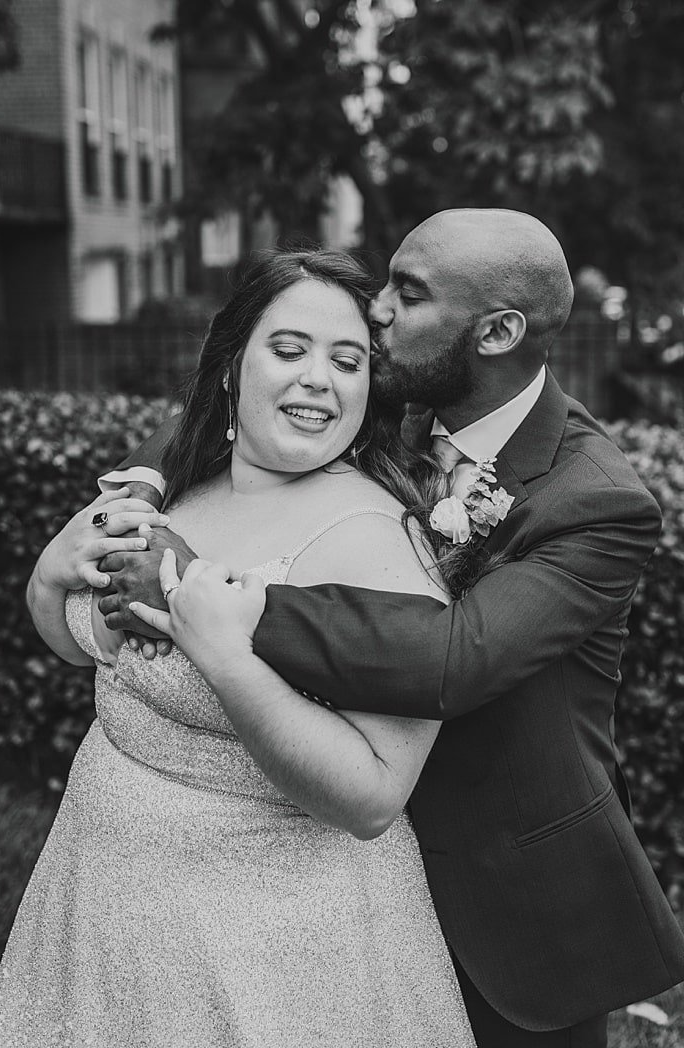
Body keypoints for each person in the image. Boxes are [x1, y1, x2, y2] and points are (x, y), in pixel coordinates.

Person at [98, 209, 684, 1047]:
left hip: (511, 896)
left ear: (497, 332)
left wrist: (210, 589)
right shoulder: (401, 399)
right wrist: (151, 483)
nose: (374, 312)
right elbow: (243, 397)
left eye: (405, 296)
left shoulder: (598, 502)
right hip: (345, 877)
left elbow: (453, 659)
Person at [0, 248, 479, 1046]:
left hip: (273, 949)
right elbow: (89, 649)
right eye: (289, 350)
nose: (318, 378)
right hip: (98, 894)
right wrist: (49, 580)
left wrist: (227, 658)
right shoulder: (179, 484)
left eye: (346, 361)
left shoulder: (378, 546)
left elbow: (372, 798)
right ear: (230, 368)